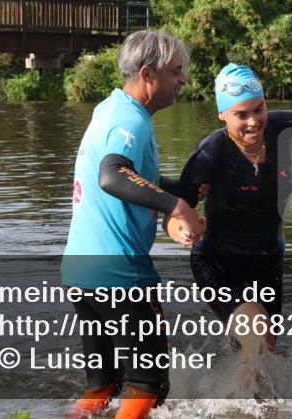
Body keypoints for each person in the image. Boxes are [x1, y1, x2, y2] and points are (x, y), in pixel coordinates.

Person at [170, 63, 292, 384]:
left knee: (263, 353)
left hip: (269, 263)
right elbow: (175, 214)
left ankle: (238, 403)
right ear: (222, 115)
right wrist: (183, 230)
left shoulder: (282, 128)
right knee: (257, 337)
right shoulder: (210, 153)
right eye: (241, 115)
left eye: (259, 109)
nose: (254, 121)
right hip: (220, 262)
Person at [61, 30, 206, 419]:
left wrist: (185, 190)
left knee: (102, 384)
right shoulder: (133, 122)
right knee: (148, 384)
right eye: (177, 71)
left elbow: (130, 177)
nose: (183, 80)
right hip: (119, 275)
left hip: (81, 269)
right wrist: (176, 205)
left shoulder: (110, 108)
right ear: (148, 74)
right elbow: (112, 175)